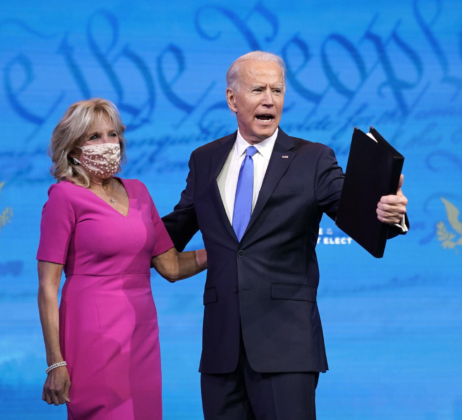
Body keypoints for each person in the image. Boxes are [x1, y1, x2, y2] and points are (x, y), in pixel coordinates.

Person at [162, 51, 408, 419]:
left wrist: (387, 215)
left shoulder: (313, 159)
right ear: (232, 99)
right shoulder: (205, 159)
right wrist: (112, 216)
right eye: (258, 89)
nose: (269, 100)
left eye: (277, 90)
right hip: (220, 348)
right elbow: (175, 228)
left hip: (286, 347)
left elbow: (356, 213)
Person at [36, 98, 207, 420]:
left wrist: (225, 250)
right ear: (73, 149)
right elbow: (47, 288)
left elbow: (170, 267)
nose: (107, 144)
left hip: (141, 329)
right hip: (92, 330)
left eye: (112, 135)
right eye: (94, 137)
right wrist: (55, 362)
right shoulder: (64, 196)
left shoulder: (139, 191)